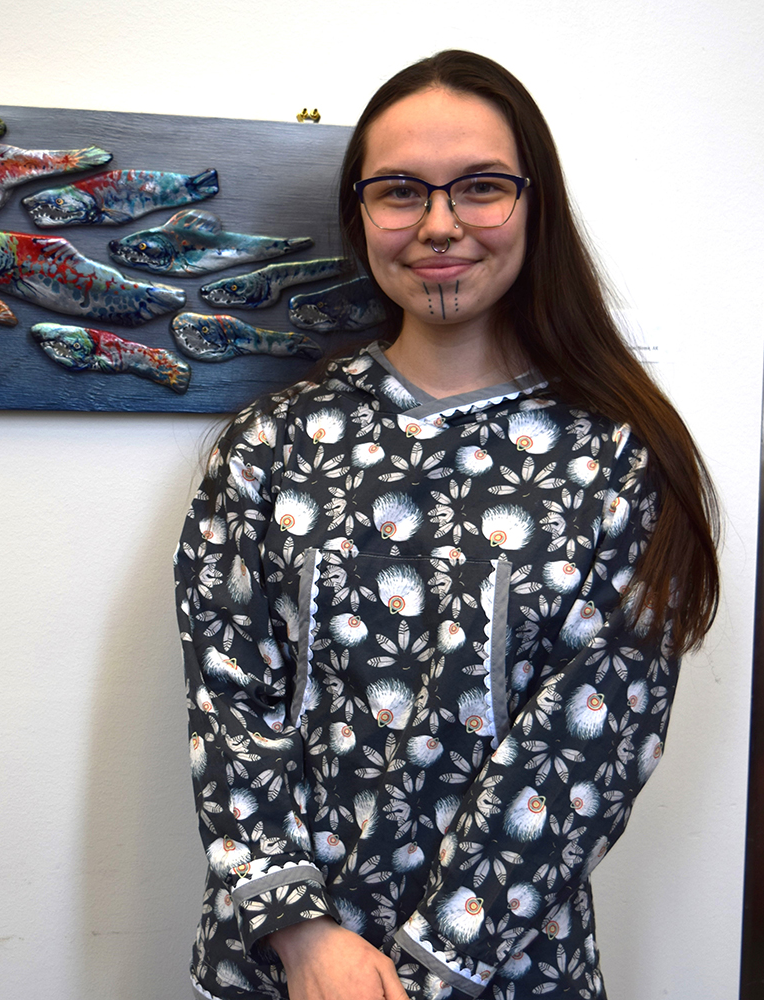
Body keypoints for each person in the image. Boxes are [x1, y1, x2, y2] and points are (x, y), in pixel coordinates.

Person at [175, 50, 719, 1000]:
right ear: (359, 212)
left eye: (479, 187)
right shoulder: (271, 444)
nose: (438, 224)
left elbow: (594, 741)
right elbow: (229, 706)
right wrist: (304, 937)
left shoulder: (620, 460)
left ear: (532, 202)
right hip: (285, 966)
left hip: (506, 971)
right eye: (399, 192)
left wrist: (431, 967)